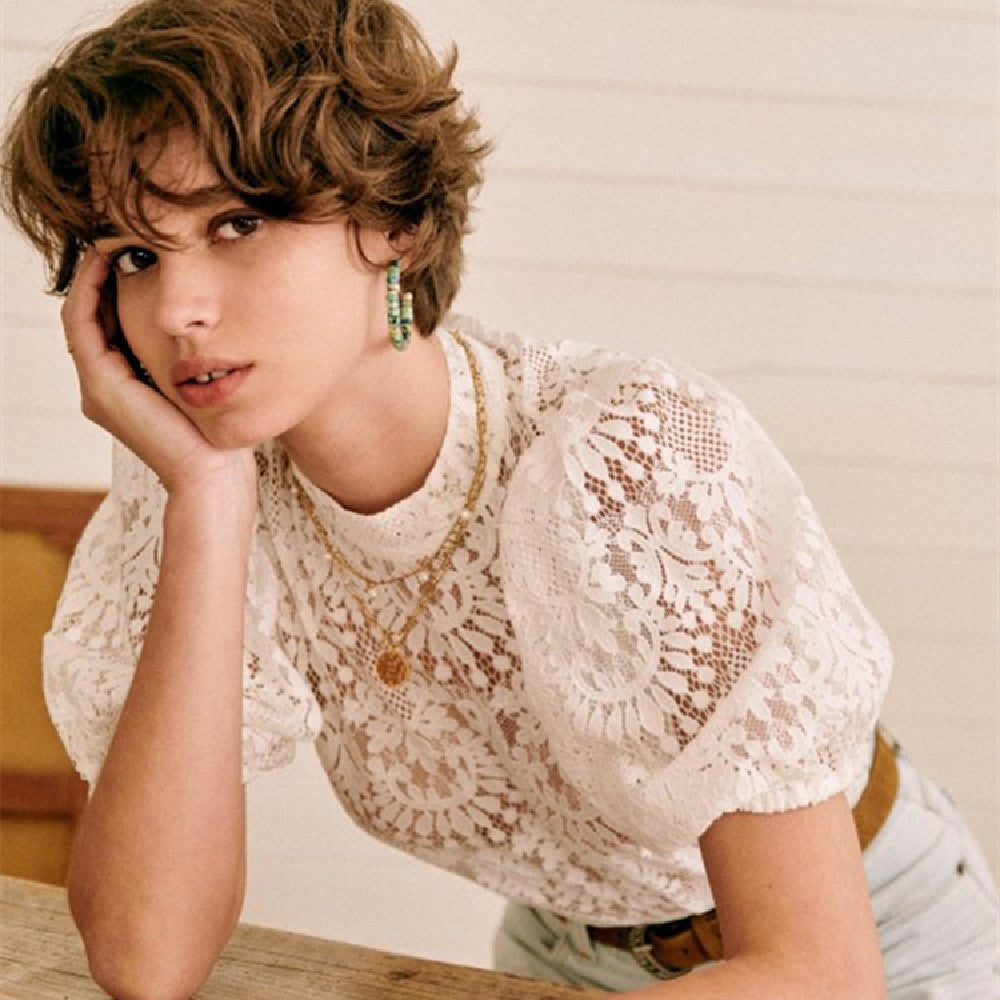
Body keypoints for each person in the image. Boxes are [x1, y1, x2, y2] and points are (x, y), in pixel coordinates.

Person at [2, 1, 997, 998]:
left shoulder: (621, 454)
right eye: (136, 254)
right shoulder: (201, 468)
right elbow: (146, 957)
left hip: (881, 940)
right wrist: (209, 497)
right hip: (560, 954)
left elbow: (820, 970)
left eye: (237, 222)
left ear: (396, 222)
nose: (178, 310)